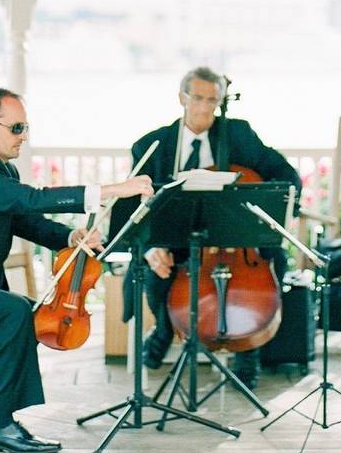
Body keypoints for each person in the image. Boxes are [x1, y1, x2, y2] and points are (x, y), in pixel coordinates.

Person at [0, 87, 153, 453]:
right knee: (15, 312)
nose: (24, 136)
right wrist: (114, 189)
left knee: (29, 315)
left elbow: (25, 218)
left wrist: (70, 235)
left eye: (26, 127)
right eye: (17, 128)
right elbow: (31, 198)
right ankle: (0, 426)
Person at [124, 66, 301, 390]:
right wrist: (152, 247)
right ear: (182, 98)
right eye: (199, 98)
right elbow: (136, 206)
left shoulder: (238, 134)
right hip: (177, 237)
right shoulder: (152, 145)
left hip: (235, 235)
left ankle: (248, 354)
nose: (206, 108)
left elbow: (285, 173)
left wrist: (285, 209)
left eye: (213, 101)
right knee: (156, 272)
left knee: (275, 259)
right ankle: (165, 329)